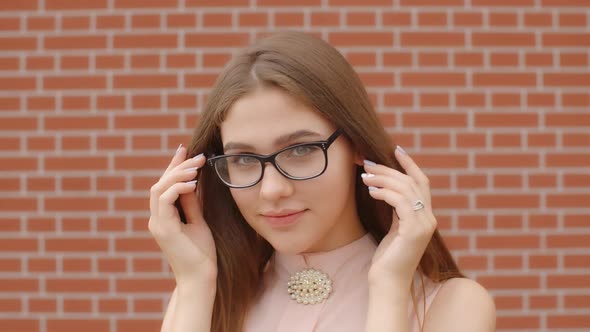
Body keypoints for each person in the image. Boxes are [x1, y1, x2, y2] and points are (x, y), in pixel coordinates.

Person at [148, 31, 496, 332]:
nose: (271, 189)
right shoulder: (204, 297)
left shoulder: (450, 306)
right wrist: (194, 284)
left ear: (357, 145)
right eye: (242, 159)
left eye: (300, 151)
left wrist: (390, 286)